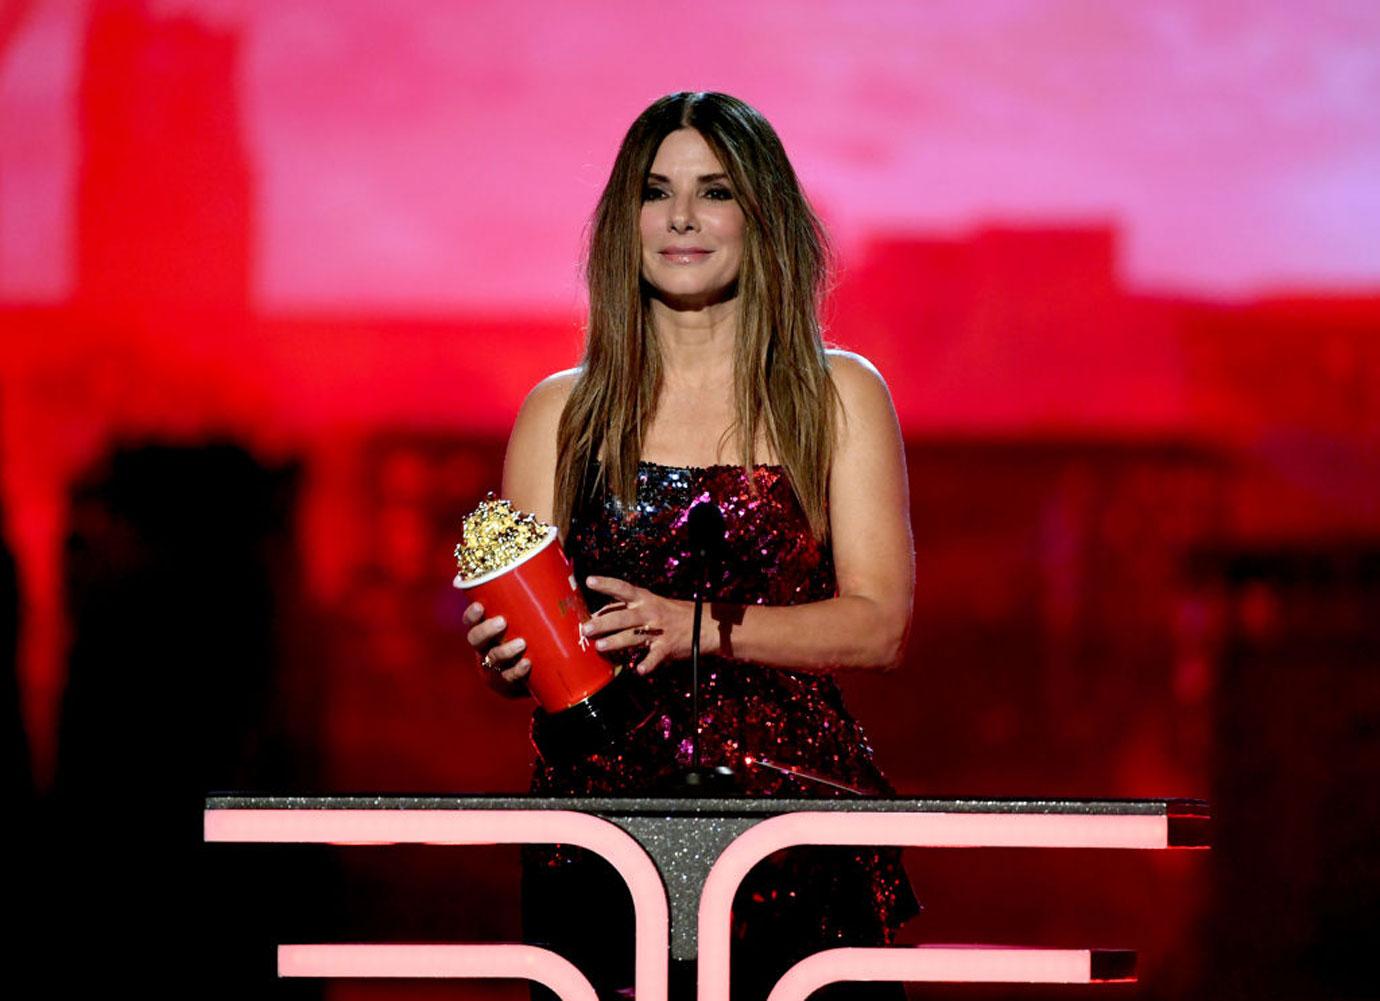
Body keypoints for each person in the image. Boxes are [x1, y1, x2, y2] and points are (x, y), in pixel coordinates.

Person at [462, 91, 917, 1000]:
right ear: (624, 220)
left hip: (792, 825)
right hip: (602, 831)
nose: (680, 218)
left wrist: (697, 625)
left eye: (713, 192)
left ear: (762, 217)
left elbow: (880, 626)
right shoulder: (561, 412)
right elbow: (534, 648)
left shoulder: (837, 396)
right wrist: (506, 656)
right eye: (655, 191)